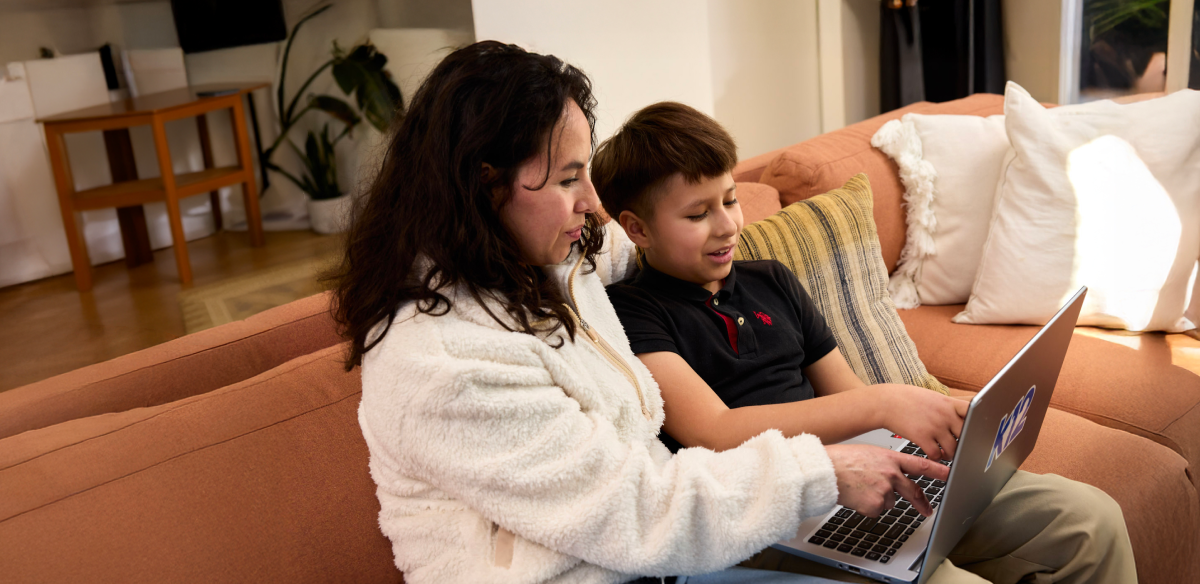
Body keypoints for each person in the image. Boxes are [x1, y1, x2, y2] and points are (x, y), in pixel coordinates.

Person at [333, 41, 946, 584]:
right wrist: (819, 472)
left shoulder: (552, 262)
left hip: (664, 552)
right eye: (569, 178)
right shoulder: (445, 363)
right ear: (486, 187)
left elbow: (658, 239)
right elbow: (633, 511)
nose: (592, 202)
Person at [595, 101, 1137, 584]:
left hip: (865, 471)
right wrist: (883, 401)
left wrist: (938, 418)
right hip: (774, 508)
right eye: (697, 214)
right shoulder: (634, 311)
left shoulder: (771, 280)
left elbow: (846, 396)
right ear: (637, 230)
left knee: (1091, 521)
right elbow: (713, 432)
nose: (726, 225)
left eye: (731, 199)